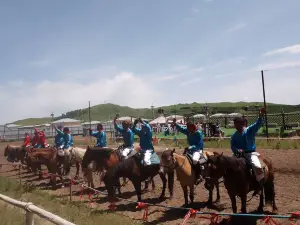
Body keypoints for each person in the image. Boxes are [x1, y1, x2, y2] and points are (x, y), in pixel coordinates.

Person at [231, 108, 266, 196]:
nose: (235, 126)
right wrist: (236, 150)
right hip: (238, 154)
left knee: (257, 166)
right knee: (229, 165)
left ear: (242, 124)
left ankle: (259, 184)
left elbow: (258, 124)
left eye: (236, 124)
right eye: (234, 124)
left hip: (251, 153)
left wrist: (261, 115)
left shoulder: (250, 130)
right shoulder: (234, 135)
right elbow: (233, 146)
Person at [172, 118, 205, 185]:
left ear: (192, 127)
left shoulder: (198, 133)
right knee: (181, 159)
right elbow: (181, 129)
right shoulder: (188, 131)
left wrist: (190, 147)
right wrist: (175, 124)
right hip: (190, 149)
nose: (187, 129)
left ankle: (199, 176)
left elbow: (198, 144)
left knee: (195, 160)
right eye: (187, 128)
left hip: (198, 150)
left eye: (188, 128)